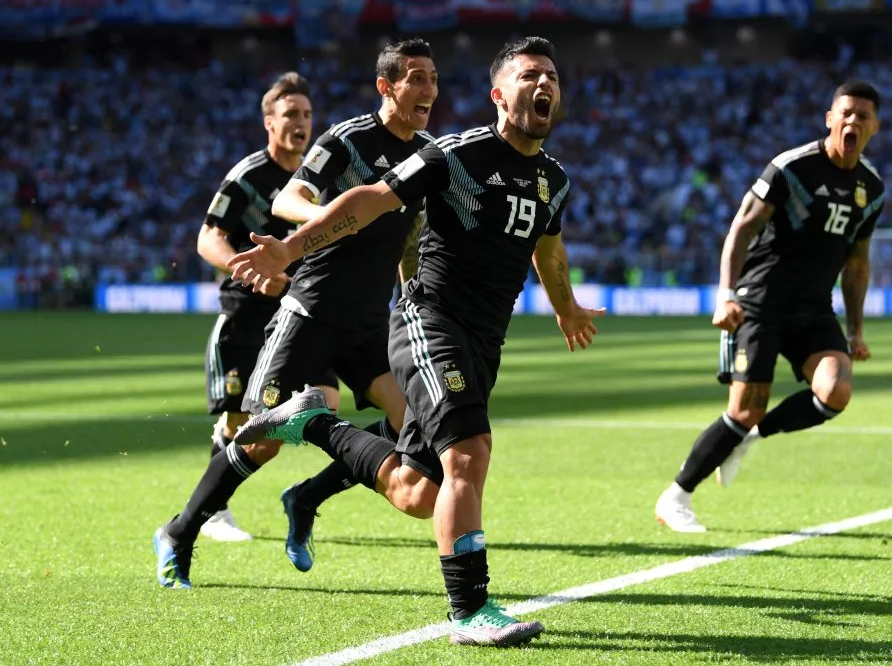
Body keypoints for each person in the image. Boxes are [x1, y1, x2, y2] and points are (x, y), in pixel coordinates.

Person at [229, 37, 605, 647]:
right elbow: (369, 201)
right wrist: (290, 249)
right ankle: (471, 612)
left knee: (417, 492)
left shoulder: (552, 180)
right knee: (470, 452)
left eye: (553, 78)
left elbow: (548, 249)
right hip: (429, 321)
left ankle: (314, 424)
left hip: (485, 340)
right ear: (498, 94)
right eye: (530, 75)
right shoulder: (454, 155)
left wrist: (565, 308)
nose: (545, 85)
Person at [153, 40, 439, 589]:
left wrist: (412, 305)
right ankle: (180, 531)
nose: (428, 89)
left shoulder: (424, 155)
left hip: (368, 326)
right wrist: (340, 216)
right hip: (310, 311)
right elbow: (288, 200)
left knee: (416, 429)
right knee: (261, 437)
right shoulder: (347, 141)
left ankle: (307, 496)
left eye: (432, 78)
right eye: (415, 78)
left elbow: (409, 243)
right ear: (387, 87)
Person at [654, 80, 886, 533]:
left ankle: (750, 438)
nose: (853, 121)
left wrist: (856, 330)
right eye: (846, 113)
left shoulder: (871, 189)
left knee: (836, 391)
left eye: (863, 115)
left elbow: (857, 264)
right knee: (742, 410)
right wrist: (727, 293)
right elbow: (741, 228)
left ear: (874, 126)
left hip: (814, 307)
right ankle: (676, 496)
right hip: (760, 301)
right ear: (829, 119)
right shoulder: (793, 167)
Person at [187, 71, 338, 544]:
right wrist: (251, 270)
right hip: (245, 319)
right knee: (235, 421)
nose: (301, 123)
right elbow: (207, 237)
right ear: (269, 123)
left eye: (307, 115)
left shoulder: (317, 177)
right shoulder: (248, 175)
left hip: (295, 316)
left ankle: (305, 495)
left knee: (322, 404)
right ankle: (212, 512)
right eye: (291, 114)